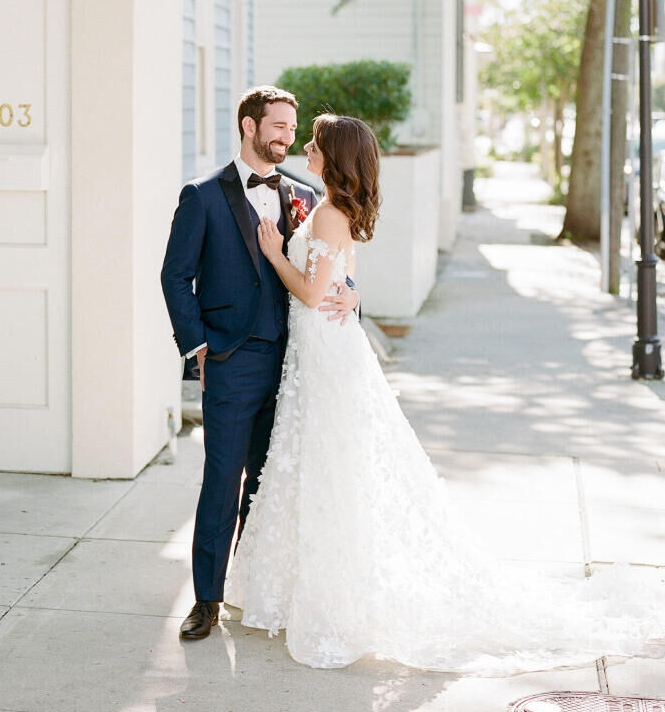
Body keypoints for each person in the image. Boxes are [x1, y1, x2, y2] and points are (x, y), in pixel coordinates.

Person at [225, 113, 665, 672]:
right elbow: (339, 279)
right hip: (319, 351)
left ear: (333, 159)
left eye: (314, 143)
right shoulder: (327, 207)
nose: (306, 148)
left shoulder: (332, 213)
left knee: (330, 467)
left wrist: (274, 254)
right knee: (315, 466)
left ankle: (332, 597)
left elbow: (313, 292)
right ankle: (300, 588)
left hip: (326, 353)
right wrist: (347, 290)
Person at [160, 87, 361, 642]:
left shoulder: (304, 195)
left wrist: (353, 294)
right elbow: (174, 276)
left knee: (270, 486)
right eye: (276, 126)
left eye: (292, 129)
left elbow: (331, 262)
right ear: (248, 126)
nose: (286, 138)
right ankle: (206, 599)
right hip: (232, 358)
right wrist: (195, 344)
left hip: (297, 363)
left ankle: (258, 589)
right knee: (222, 481)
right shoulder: (201, 196)